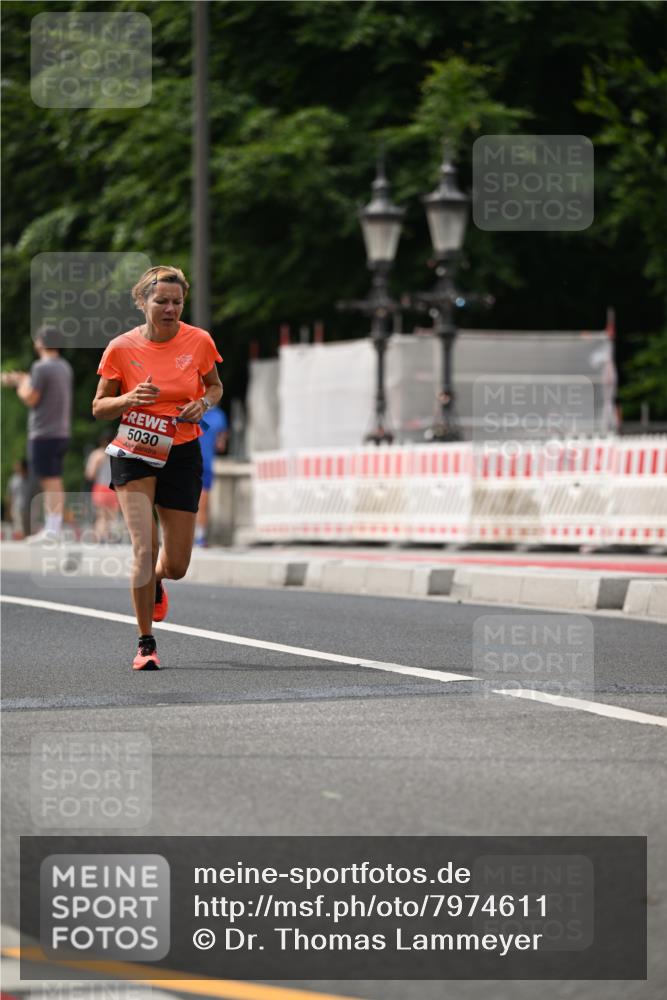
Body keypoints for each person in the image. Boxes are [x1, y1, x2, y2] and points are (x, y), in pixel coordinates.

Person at [92, 265, 223, 671]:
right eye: (161, 301)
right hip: (133, 448)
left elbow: (214, 385)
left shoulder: (198, 341)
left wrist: (202, 404)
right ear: (142, 301)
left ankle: (159, 582)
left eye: (177, 302)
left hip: (181, 451)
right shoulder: (120, 348)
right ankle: (145, 642)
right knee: (144, 549)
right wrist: (129, 398)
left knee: (177, 564)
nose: (170, 309)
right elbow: (99, 407)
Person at [2, 325, 73, 540]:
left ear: (40, 342)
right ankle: (54, 527)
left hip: (44, 433)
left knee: (48, 481)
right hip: (61, 432)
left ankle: (52, 530)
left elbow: (31, 398)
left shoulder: (41, 367)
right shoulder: (64, 366)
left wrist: (20, 383)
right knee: (55, 480)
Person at [195, 405, 229, 547]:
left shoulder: (192, 409)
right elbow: (221, 445)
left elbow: (221, 443)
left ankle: (198, 536)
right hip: (204, 462)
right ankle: (199, 536)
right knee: (202, 501)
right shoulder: (219, 415)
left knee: (200, 501)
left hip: (199, 462)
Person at [84, 432, 121, 542]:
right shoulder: (117, 454)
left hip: (100, 488)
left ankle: (100, 538)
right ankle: (111, 538)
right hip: (114, 488)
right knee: (112, 516)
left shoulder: (97, 455)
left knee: (101, 516)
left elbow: (90, 474)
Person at [5, 458, 30, 539]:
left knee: (30, 531)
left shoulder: (33, 478)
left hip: (30, 508)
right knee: (19, 529)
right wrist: (8, 510)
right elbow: (10, 495)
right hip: (17, 508)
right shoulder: (13, 479)